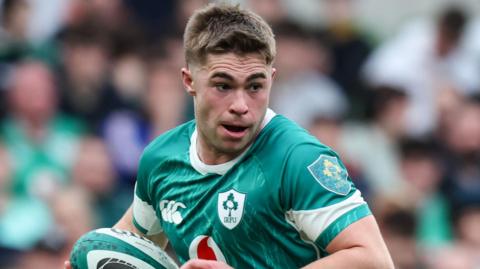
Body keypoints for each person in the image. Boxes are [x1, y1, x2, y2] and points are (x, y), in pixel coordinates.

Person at [67, 3, 393, 268]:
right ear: (189, 81)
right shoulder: (162, 159)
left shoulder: (298, 159)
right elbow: (131, 247)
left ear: (272, 79)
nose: (241, 105)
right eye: (223, 85)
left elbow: (374, 259)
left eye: (255, 86)